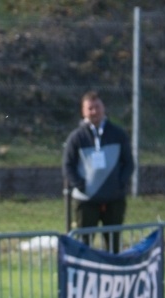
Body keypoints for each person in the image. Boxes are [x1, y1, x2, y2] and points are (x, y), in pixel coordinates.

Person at [62, 91, 135, 252]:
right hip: (86, 201)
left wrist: (120, 183)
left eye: (97, 107)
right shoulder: (76, 138)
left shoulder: (118, 134)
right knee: (83, 245)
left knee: (113, 245)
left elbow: (129, 163)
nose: (94, 112)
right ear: (83, 111)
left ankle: (113, 275)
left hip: (114, 199)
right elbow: (68, 166)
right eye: (90, 108)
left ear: (103, 108)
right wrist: (81, 186)